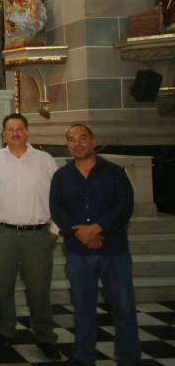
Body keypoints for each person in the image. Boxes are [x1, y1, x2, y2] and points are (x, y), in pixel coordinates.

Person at [50, 124, 140, 366]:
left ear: (92, 141)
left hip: (114, 250)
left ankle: (129, 358)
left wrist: (97, 229)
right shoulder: (61, 176)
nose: (77, 144)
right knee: (83, 308)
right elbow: (57, 209)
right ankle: (83, 357)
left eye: (82, 138)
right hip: (79, 251)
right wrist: (81, 234)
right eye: (71, 140)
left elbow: (124, 206)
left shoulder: (113, 172)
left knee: (124, 307)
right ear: (67, 144)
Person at [0, 113, 61, 360]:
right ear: (4, 134)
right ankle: (4, 331)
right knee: (3, 286)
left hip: (37, 234)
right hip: (3, 233)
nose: (14, 133)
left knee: (39, 288)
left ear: (27, 131)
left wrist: (55, 229)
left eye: (19, 128)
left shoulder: (44, 160)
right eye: (10, 129)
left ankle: (45, 336)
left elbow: (59, 197)